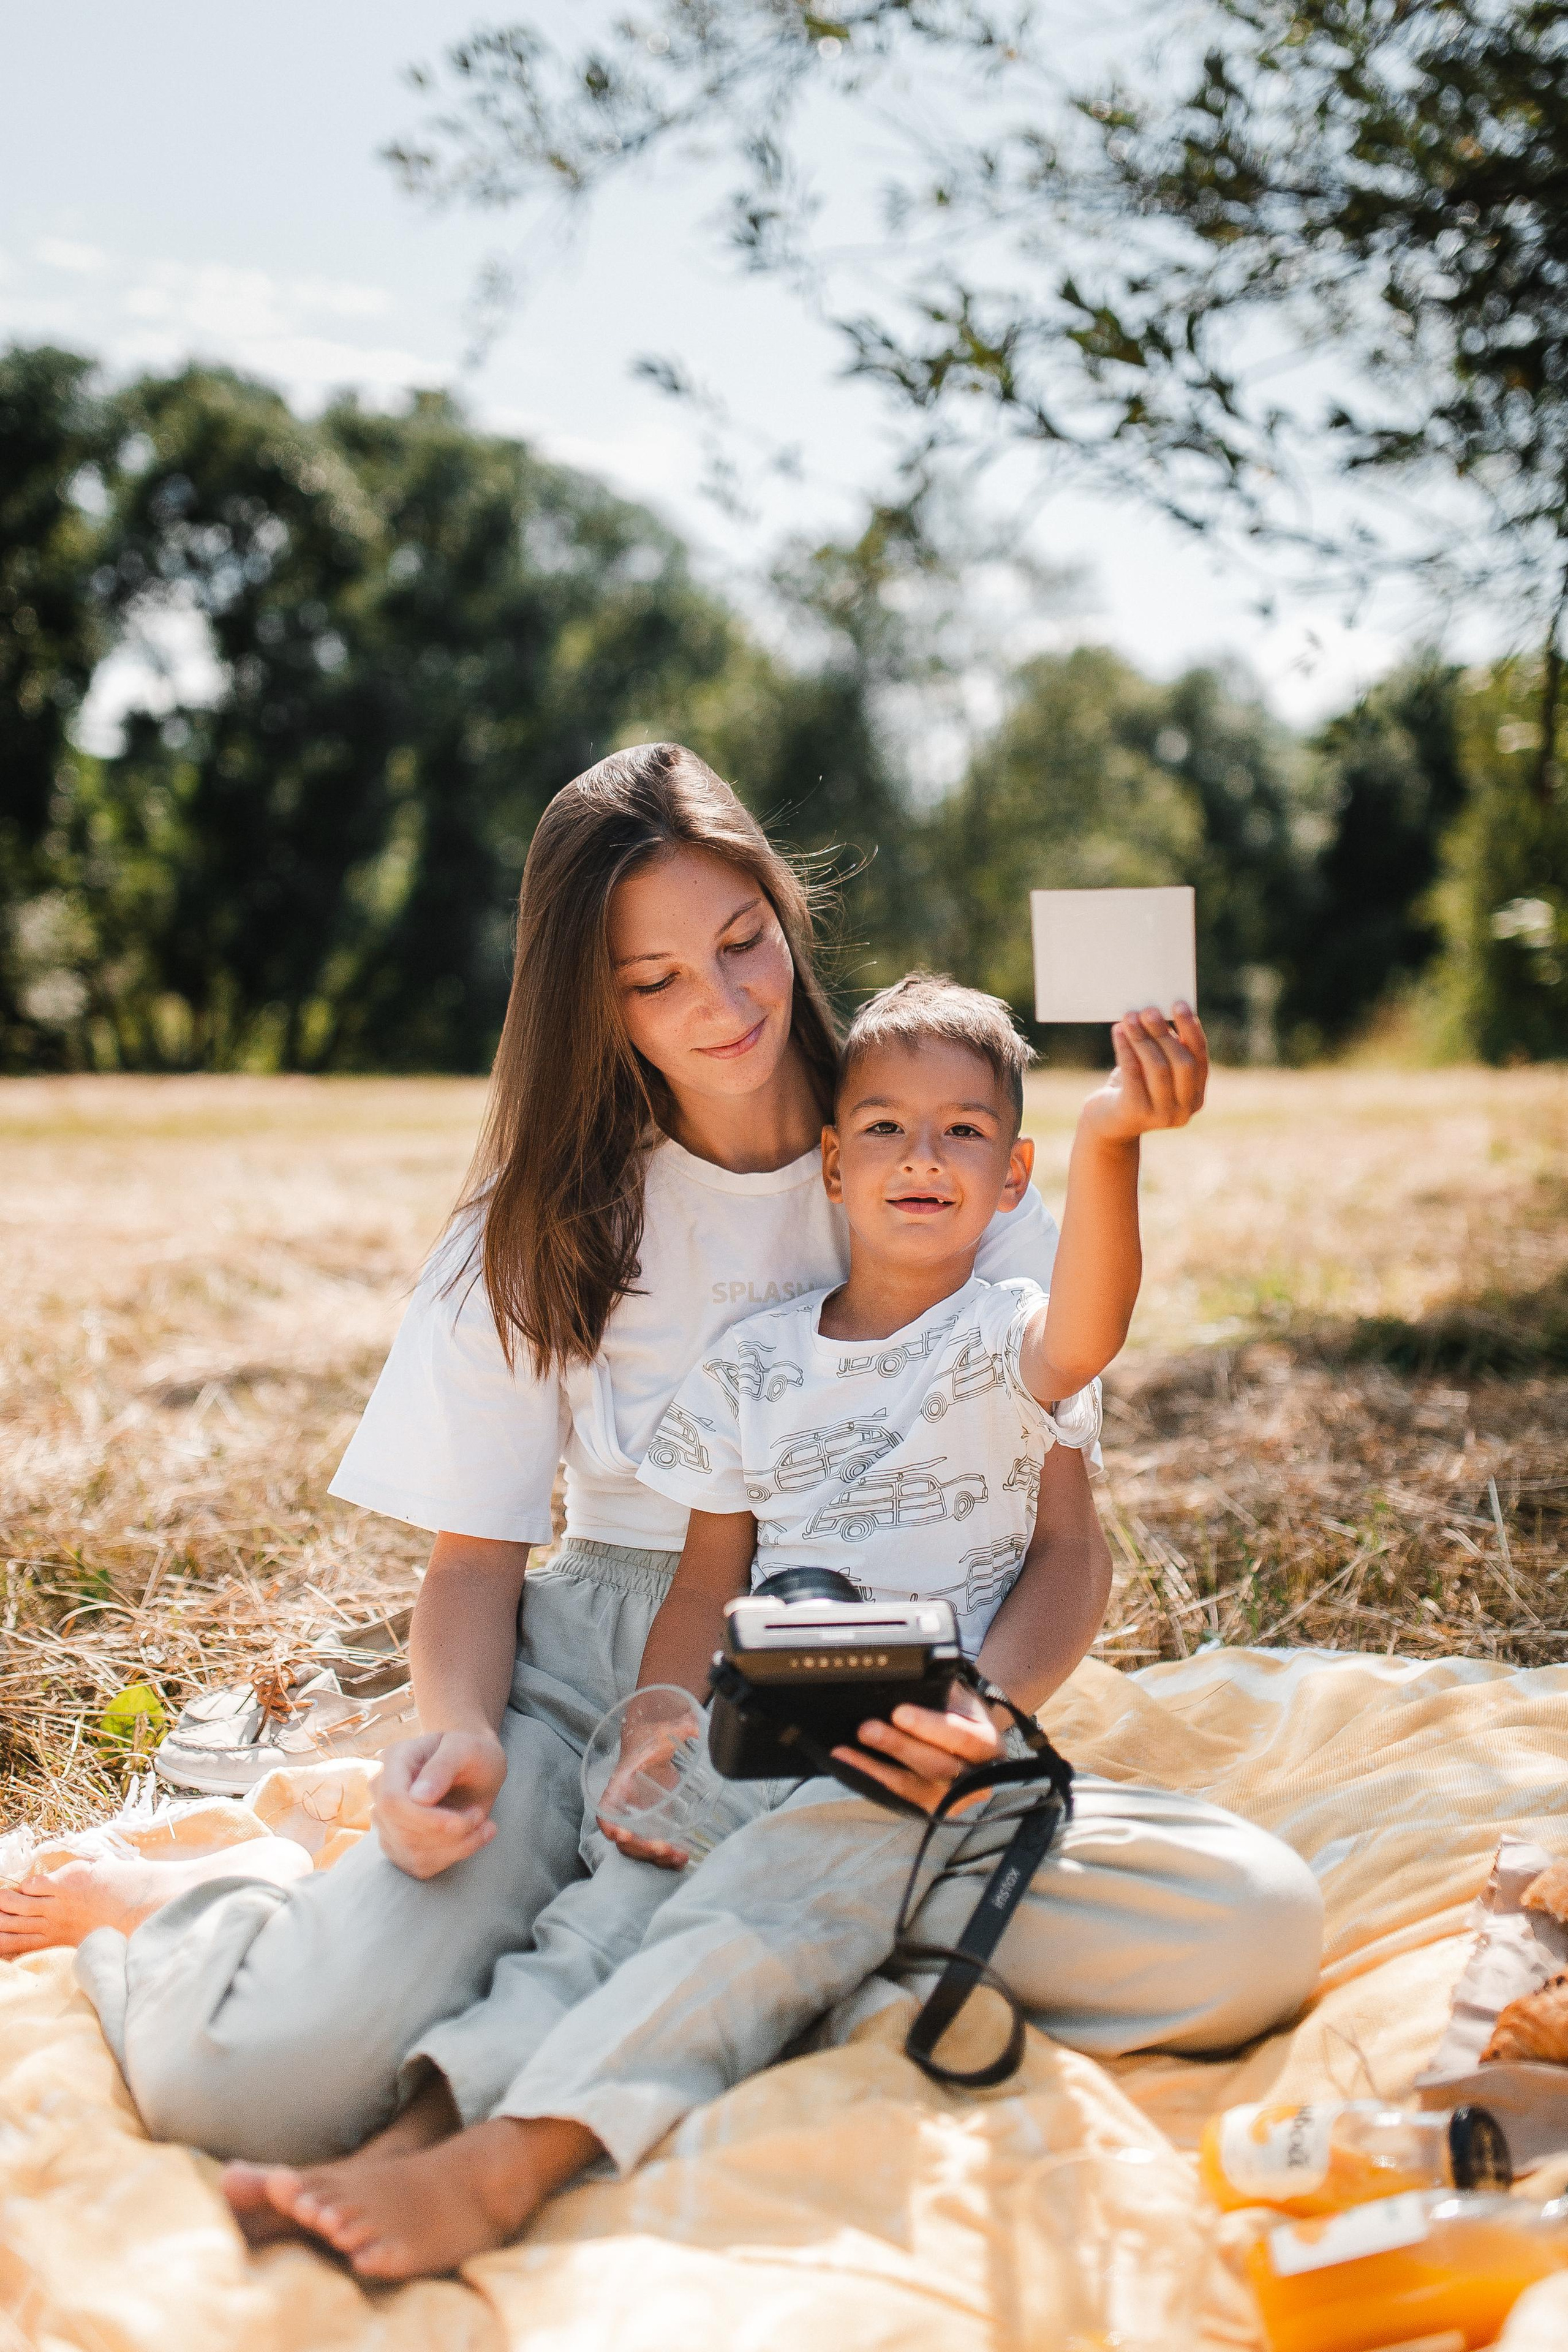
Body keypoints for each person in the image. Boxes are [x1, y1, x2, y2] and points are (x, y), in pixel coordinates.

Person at [2, 747, 1058, 2155]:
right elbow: (474, 1560)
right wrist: (452, 1733)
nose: (723, 1001)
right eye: (653, 979)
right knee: (255, 2083)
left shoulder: (934, 1132)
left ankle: (451, 1920)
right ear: (591, 1001)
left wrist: (978, 1704)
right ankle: (223, 1906)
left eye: (740, 940)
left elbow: (1058, 1522)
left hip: (868, 1666)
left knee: (1185, 1951)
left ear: (780, 911)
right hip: (589, 1658)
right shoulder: (548, 1213)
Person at [228, 976, 1324, 2280]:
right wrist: (660, 1720)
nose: (922, 1157)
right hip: (754, 1731)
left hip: (917, 1753)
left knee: (1211, 1916)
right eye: (883, 1130)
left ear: (1013, 1172)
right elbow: (705, 1583)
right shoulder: (755, 1364)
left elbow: (1072, 1527)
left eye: (964, 1132)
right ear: (830, 1163)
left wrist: (1115, 1138)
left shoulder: (1011, 1337)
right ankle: (413, 2141)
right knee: (605, 1915)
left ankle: (522, 2151)